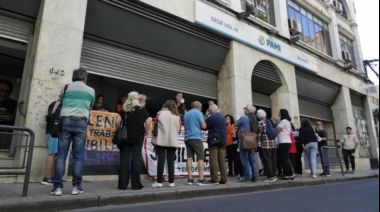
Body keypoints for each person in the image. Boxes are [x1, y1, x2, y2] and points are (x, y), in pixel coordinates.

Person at [51, 68, 95, 196]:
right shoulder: (91, 90)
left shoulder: (66, 88)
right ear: (85, 78)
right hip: (81, 122)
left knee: (61, 155)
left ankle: (57, 188)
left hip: (65, 121)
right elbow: (90, 105)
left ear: (73, 77)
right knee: (78, 156)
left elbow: (62, 101)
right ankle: (76, 187)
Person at [116, 91, 151, 191]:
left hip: (125, 137)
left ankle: (122, 185)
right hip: (138, 137)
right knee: (135, 159)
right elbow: (148, 123)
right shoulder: (142, 109)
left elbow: (117, 122)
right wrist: (143, 132)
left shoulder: (124, 109)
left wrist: (119, 129)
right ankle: (136, 185)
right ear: (137, 99)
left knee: (124, 160)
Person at [151, 100, 182, 188]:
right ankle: (171, 182)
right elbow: (179, 130)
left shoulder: (160, 113)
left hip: (160, 140)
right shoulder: (177, 116)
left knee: (161, 161)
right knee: (170, 161)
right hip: (172, 140)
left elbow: (155, 124)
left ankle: (159, 182)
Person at [183, 101, 210, 186]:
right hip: (196, 137)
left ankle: (190, 179)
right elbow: (204, 126)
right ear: (199, 107)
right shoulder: (198, 113)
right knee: (200, 158)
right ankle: (201, 179)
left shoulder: (186, 114)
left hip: (187, 138)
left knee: (189, 158)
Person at [235, 105, 259, 183]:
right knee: (252, 159)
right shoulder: (254, 118)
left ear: (248, 110)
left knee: (245, 159)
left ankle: (247, 178)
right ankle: (255, 177)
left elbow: (235, 124)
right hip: (252, 140)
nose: (244, 110)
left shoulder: (244, 117)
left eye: (245, 109)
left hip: (244, 140)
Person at [206, 104, 227, 185]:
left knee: (213, 160)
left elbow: (205, 127)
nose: (210, 112)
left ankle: (215, 179)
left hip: (214, 141)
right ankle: (224, 179)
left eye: (210, 111)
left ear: (212, 110)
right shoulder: (223, 117)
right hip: (222, 141)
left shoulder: (211, 117)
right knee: (222, 161)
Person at [41, 101, 60, 185]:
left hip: (56, 131)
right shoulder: (57, 103)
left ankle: (52, 177)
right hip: (54, 131)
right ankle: (47, 177)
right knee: (52, 153)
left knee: (55, 154)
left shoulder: (59, 103)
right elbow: (52, 116)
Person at [257, 109, 278, 183]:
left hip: (266, 144)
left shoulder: (260, 122)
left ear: (258, 116)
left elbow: (259, 134)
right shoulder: (270, 121)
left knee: (267, 160)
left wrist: (257, 141)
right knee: (273, 160)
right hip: (273, 143)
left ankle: (270, 176)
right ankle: (274, 175)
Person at [276, 109, 294, 181]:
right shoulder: (288, 122)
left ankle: (286, 174)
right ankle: (290, 174)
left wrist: (276, 128)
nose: (278, 113)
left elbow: (278, 129)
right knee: (286, 158)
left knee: (284, 159)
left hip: (283, 142)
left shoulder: (283, 121)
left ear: (282, 113)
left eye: (279, 112)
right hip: (287, 141)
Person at [0, 79, 18, 150]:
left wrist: (12, 118)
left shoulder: (13, 104)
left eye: (7, 91)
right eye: (1, 90)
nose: (4, 94)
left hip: (5, 141)